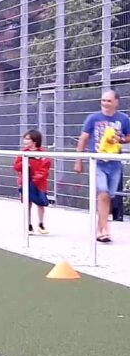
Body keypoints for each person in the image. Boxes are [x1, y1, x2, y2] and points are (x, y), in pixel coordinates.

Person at [74, 89, 130, 243]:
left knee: (108, 197)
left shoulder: (123, 119)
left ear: (116, 102)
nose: (105, 103)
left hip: (114, 163)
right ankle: (104, 230)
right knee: (103, 193)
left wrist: (120, 139)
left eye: (109, 100)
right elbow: (83, 138)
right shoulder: (93, 118)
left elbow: (128, 136)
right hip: (97, 163)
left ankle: (100, 229)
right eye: (103, 100)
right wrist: (78, 160)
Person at [13, 129, 52, 235]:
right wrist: (25, 164)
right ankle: (28, 225)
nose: (25, 141)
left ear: (35, 141)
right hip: (26, 183)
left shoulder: (43, 154)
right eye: (24, 138)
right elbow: (16, 167)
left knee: (41, 203)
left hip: (40, 185)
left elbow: (45, 168)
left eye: (27, 139)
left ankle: (41, 224)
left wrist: (35, 179)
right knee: (28, 203)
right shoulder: (23, 153)